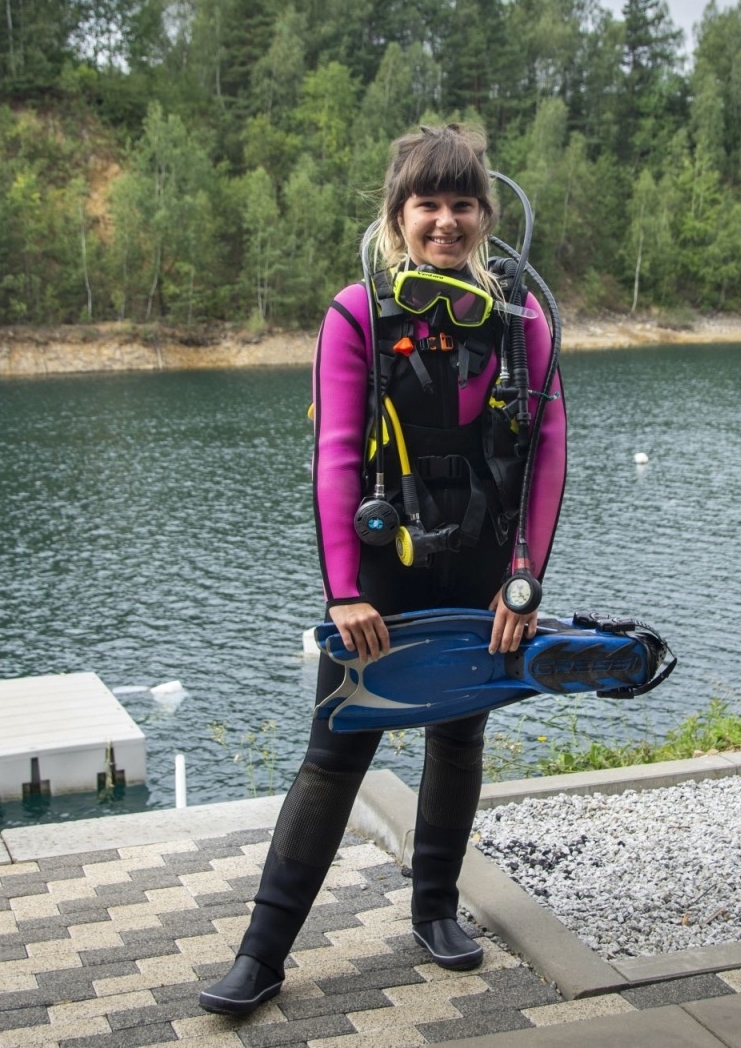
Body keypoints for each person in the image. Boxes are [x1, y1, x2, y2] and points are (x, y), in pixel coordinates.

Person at [198, 123, 567, 1016]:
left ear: (485, 215)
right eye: (427, 204)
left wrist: (521, 581)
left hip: (483, 568)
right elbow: (332, 453)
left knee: (461, 735)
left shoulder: (522, 318)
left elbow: (549, 449)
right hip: (382, 568)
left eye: (463, 204)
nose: (446, 220)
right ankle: (263, 953)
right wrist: (345, 589)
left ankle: (435, 909)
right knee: (336, 753)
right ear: (398, 215)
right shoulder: (356, 312)